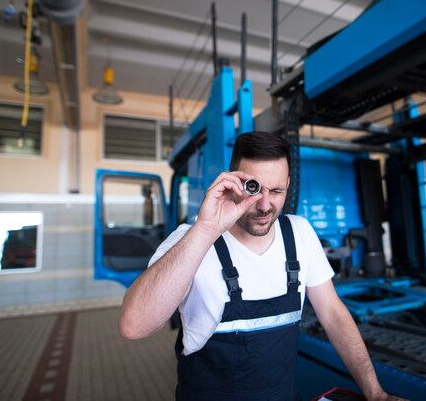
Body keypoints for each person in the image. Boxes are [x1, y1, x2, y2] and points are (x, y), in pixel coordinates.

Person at [119, 132, 405, 401]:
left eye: (277, 190)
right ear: (232, 181)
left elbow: (334, 315)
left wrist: (375, 392)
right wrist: (207, 228)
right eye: (254, 189)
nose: (265, 205)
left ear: (289, 185)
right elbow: (134, 326)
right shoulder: (190, 240)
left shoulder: (299, 234)